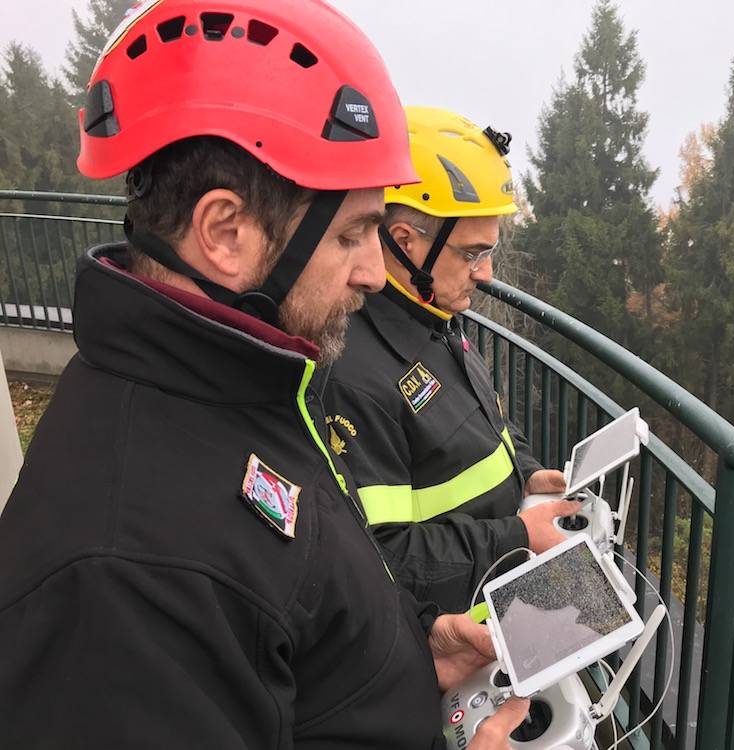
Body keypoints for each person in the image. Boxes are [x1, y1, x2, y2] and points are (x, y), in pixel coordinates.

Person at [0, 2, 526, 747]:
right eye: (353, 234)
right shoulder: (125, 578)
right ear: (226, 233)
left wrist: (411, 656)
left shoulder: (244, 380)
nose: (376, 273)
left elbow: (287, 628)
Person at [323, 107, 581, 614]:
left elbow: (486, 419)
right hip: (459, 640)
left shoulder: (430, 311)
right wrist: (514, 537)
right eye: (472, 253)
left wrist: (527, 474)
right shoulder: (354, 375)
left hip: (502, 595)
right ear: (404, 242)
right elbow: (381, 556)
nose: (485, 274)